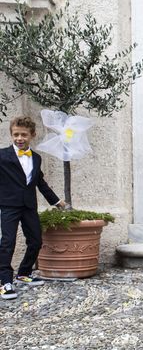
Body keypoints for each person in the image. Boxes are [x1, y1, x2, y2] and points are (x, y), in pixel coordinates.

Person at [0, 116, 65, 300]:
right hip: (8, 206)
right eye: (16, 134)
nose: (19, 138)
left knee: (36, 240)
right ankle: (4, 282)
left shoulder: (36, 158)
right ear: (11, 135)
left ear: (32, 135)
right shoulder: (2, 156)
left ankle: (24, 273)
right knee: (7, 243)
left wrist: (56, 201)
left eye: (23, 135)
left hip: (29, 205)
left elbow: (40, 183)